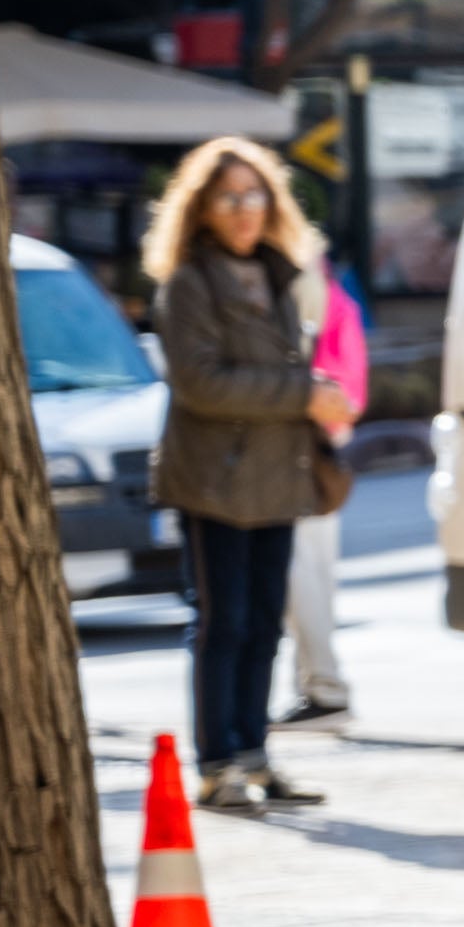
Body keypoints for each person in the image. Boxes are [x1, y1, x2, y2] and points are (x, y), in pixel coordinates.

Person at [142, 138, 352, 817]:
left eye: (254, 194)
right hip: (214, 481)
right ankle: (216, 763)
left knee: (265, 621)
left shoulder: (280, 271)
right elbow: (202, 383)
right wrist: (301, 394)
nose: (244, 210)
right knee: (221, 621)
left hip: (278, 476)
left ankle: (255, 753)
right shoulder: (189, 283)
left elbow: (287, 369)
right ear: (202, 208)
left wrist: (319, 394)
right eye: (229, 196)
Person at [282, 260, 370, 729]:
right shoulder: (328, 282)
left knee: (299, 572)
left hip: (300, 440)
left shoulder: (298, 279)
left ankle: (324, 689)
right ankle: (320, 686)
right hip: (325, 438)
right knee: (315, 569)